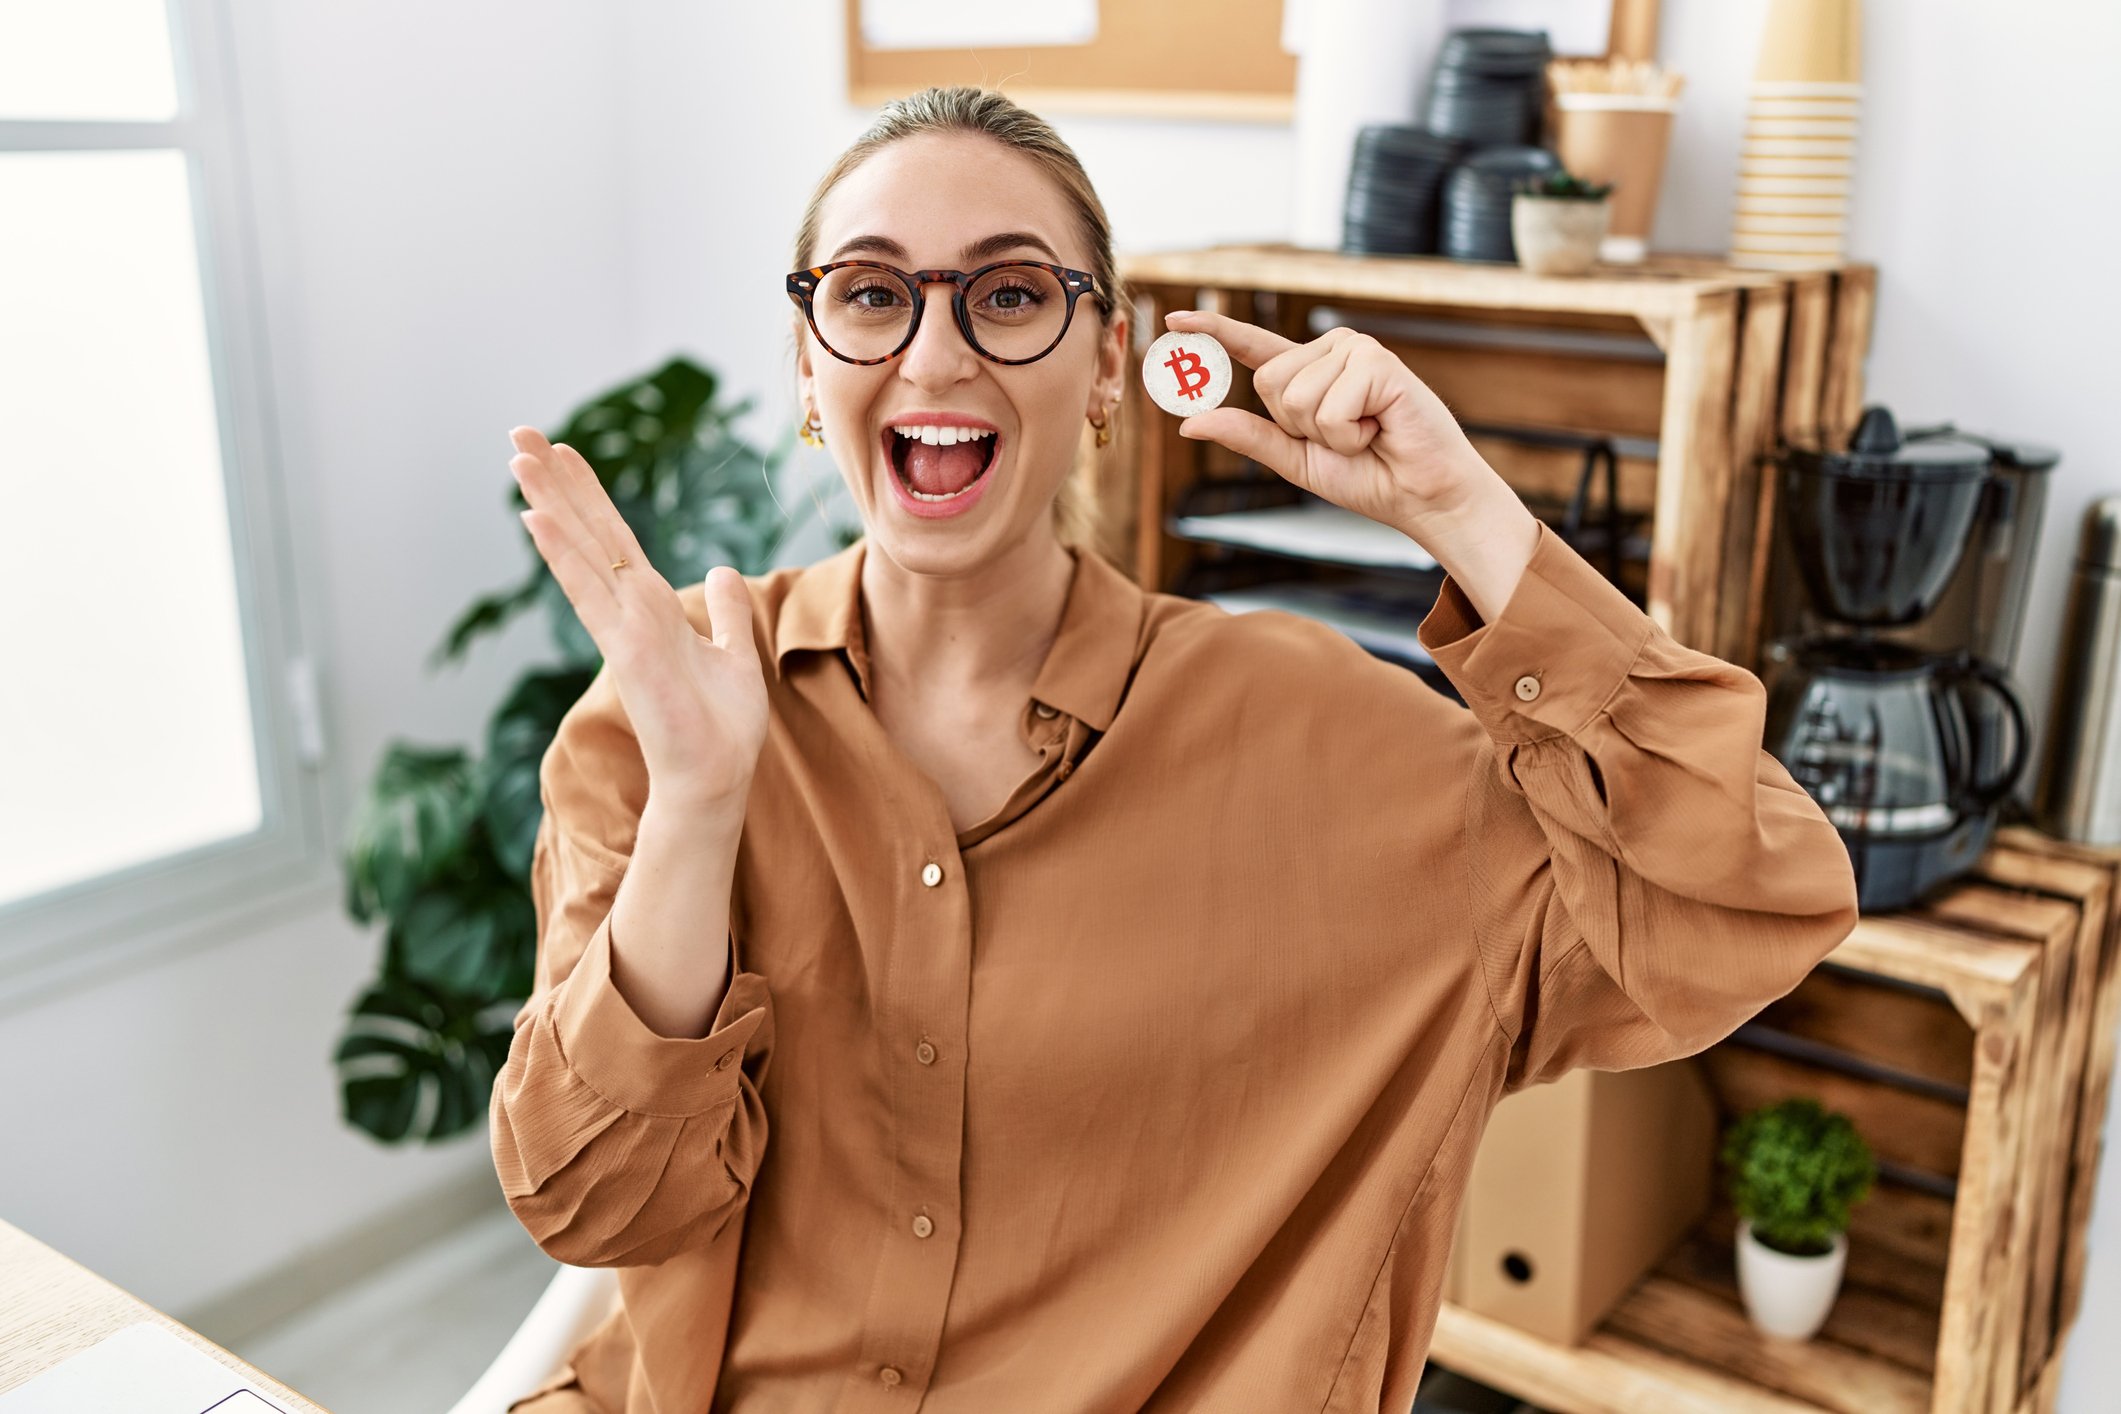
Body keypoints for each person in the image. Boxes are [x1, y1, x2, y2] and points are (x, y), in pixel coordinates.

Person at [489, 86, 1860, 1414]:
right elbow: (598, 1203)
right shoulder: (669, 712)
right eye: (868, 292)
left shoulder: (1333, 751)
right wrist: (698, 806)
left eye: (1010, 294)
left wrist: (1463, 510)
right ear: (808, 360)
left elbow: (1747, 903)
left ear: (1105, 365)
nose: (933, 353)